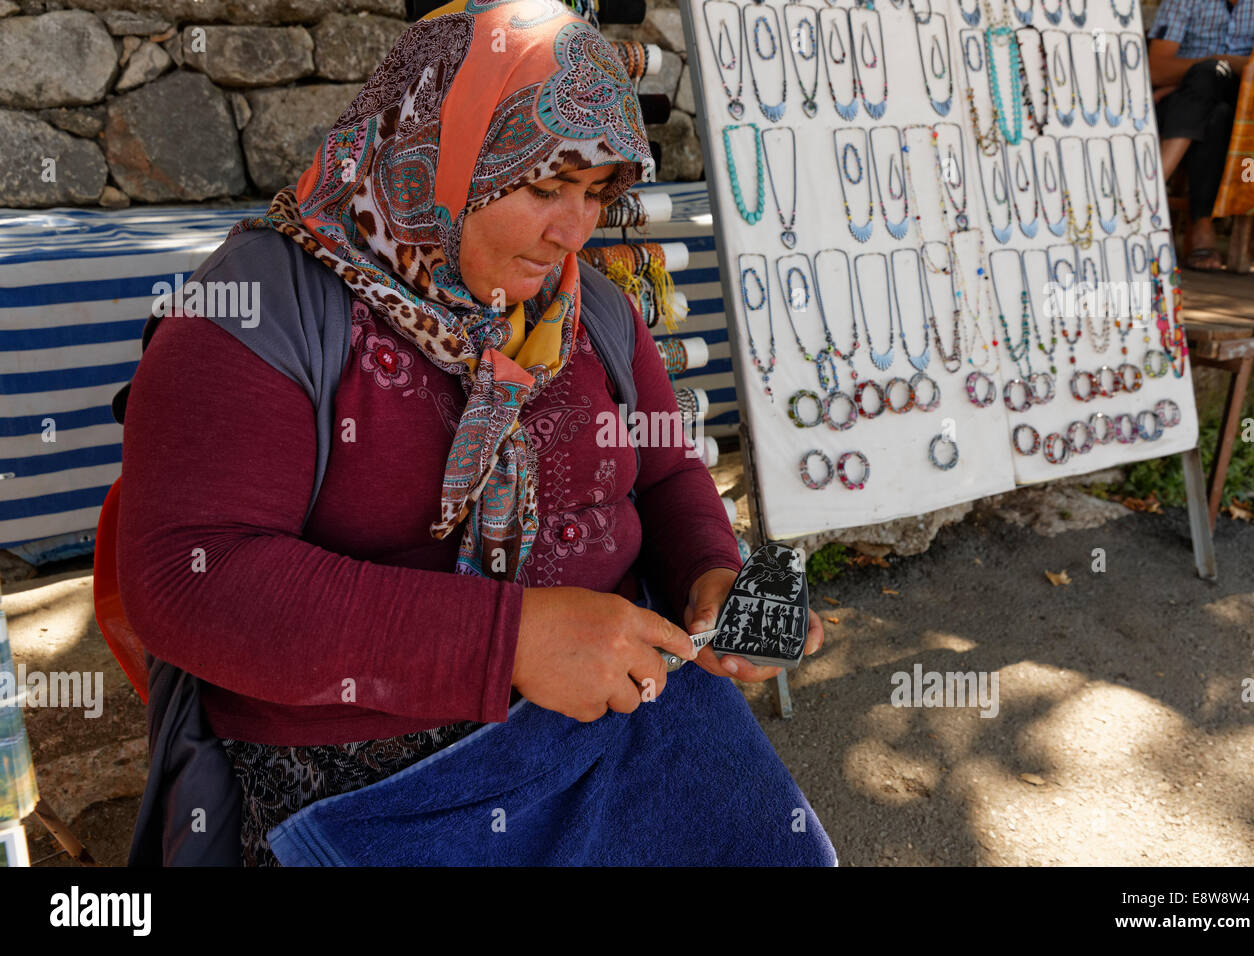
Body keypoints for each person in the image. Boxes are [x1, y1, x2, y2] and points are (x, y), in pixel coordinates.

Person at [117, 0, 833, 866]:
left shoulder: (587, 310)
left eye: (597, 197)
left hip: (621, 720)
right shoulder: (264, 306)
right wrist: (510, 639)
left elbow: (667, 475)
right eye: (544, 187)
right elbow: (193, 580)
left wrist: (710, 575)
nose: (573, 231)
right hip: (369, 785)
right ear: (440, 152)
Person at [1148, 0, 1254, 270]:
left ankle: (1151, 191)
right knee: (1216, 111)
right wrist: (1208, 68)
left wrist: (1219, 63)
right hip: (1189, 103)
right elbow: (1156, 69)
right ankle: (1202, 223)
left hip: (1248, 105)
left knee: (1213, 74)